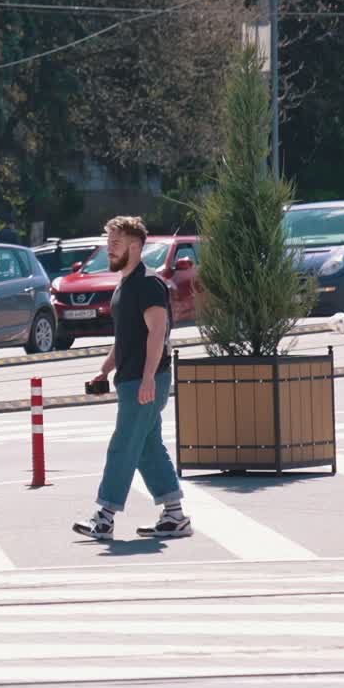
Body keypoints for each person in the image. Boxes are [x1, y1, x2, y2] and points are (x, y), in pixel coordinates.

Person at [73, 215, 192, 541]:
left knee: (123, 445)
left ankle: (105, 516)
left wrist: (149, 378)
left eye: (115, 244)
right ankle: (174, 515)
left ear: (135, 246)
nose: (109, 250)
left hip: (145, 380)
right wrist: (105, 369)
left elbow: (158, 332)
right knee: (146, 447)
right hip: (132, 379)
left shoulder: (148, 284)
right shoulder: (125, 284)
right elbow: (126, 340)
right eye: (108, 243)